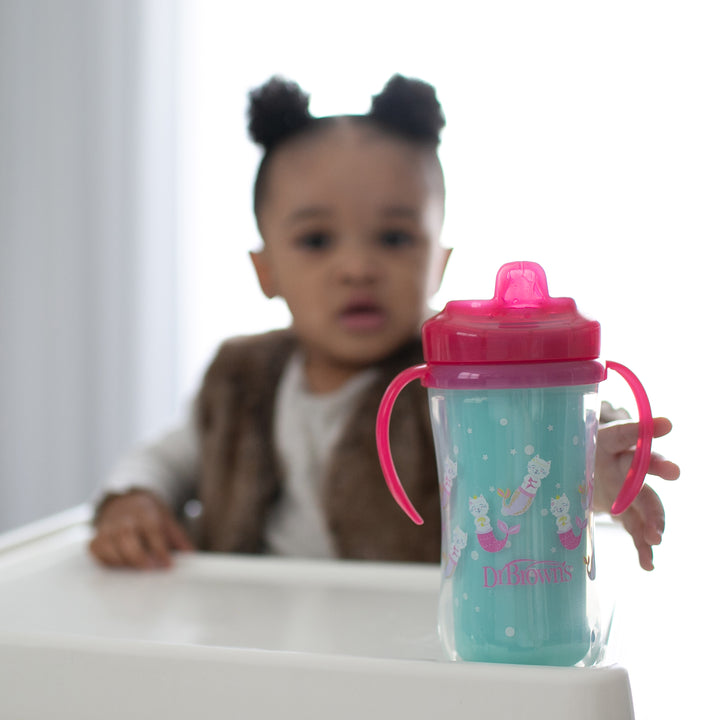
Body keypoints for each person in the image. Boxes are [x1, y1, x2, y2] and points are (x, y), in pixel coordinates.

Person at [89, 75, 680, 573]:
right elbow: (167, 458)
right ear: (266, 270)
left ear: (439, 263)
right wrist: (134, 499)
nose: (358, 268)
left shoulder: (459, 375)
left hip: (402, 640)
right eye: (316, 240)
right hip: (254, 631)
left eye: (395, 238)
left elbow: (538, 428)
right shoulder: (240, 377)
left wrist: (596, 470)